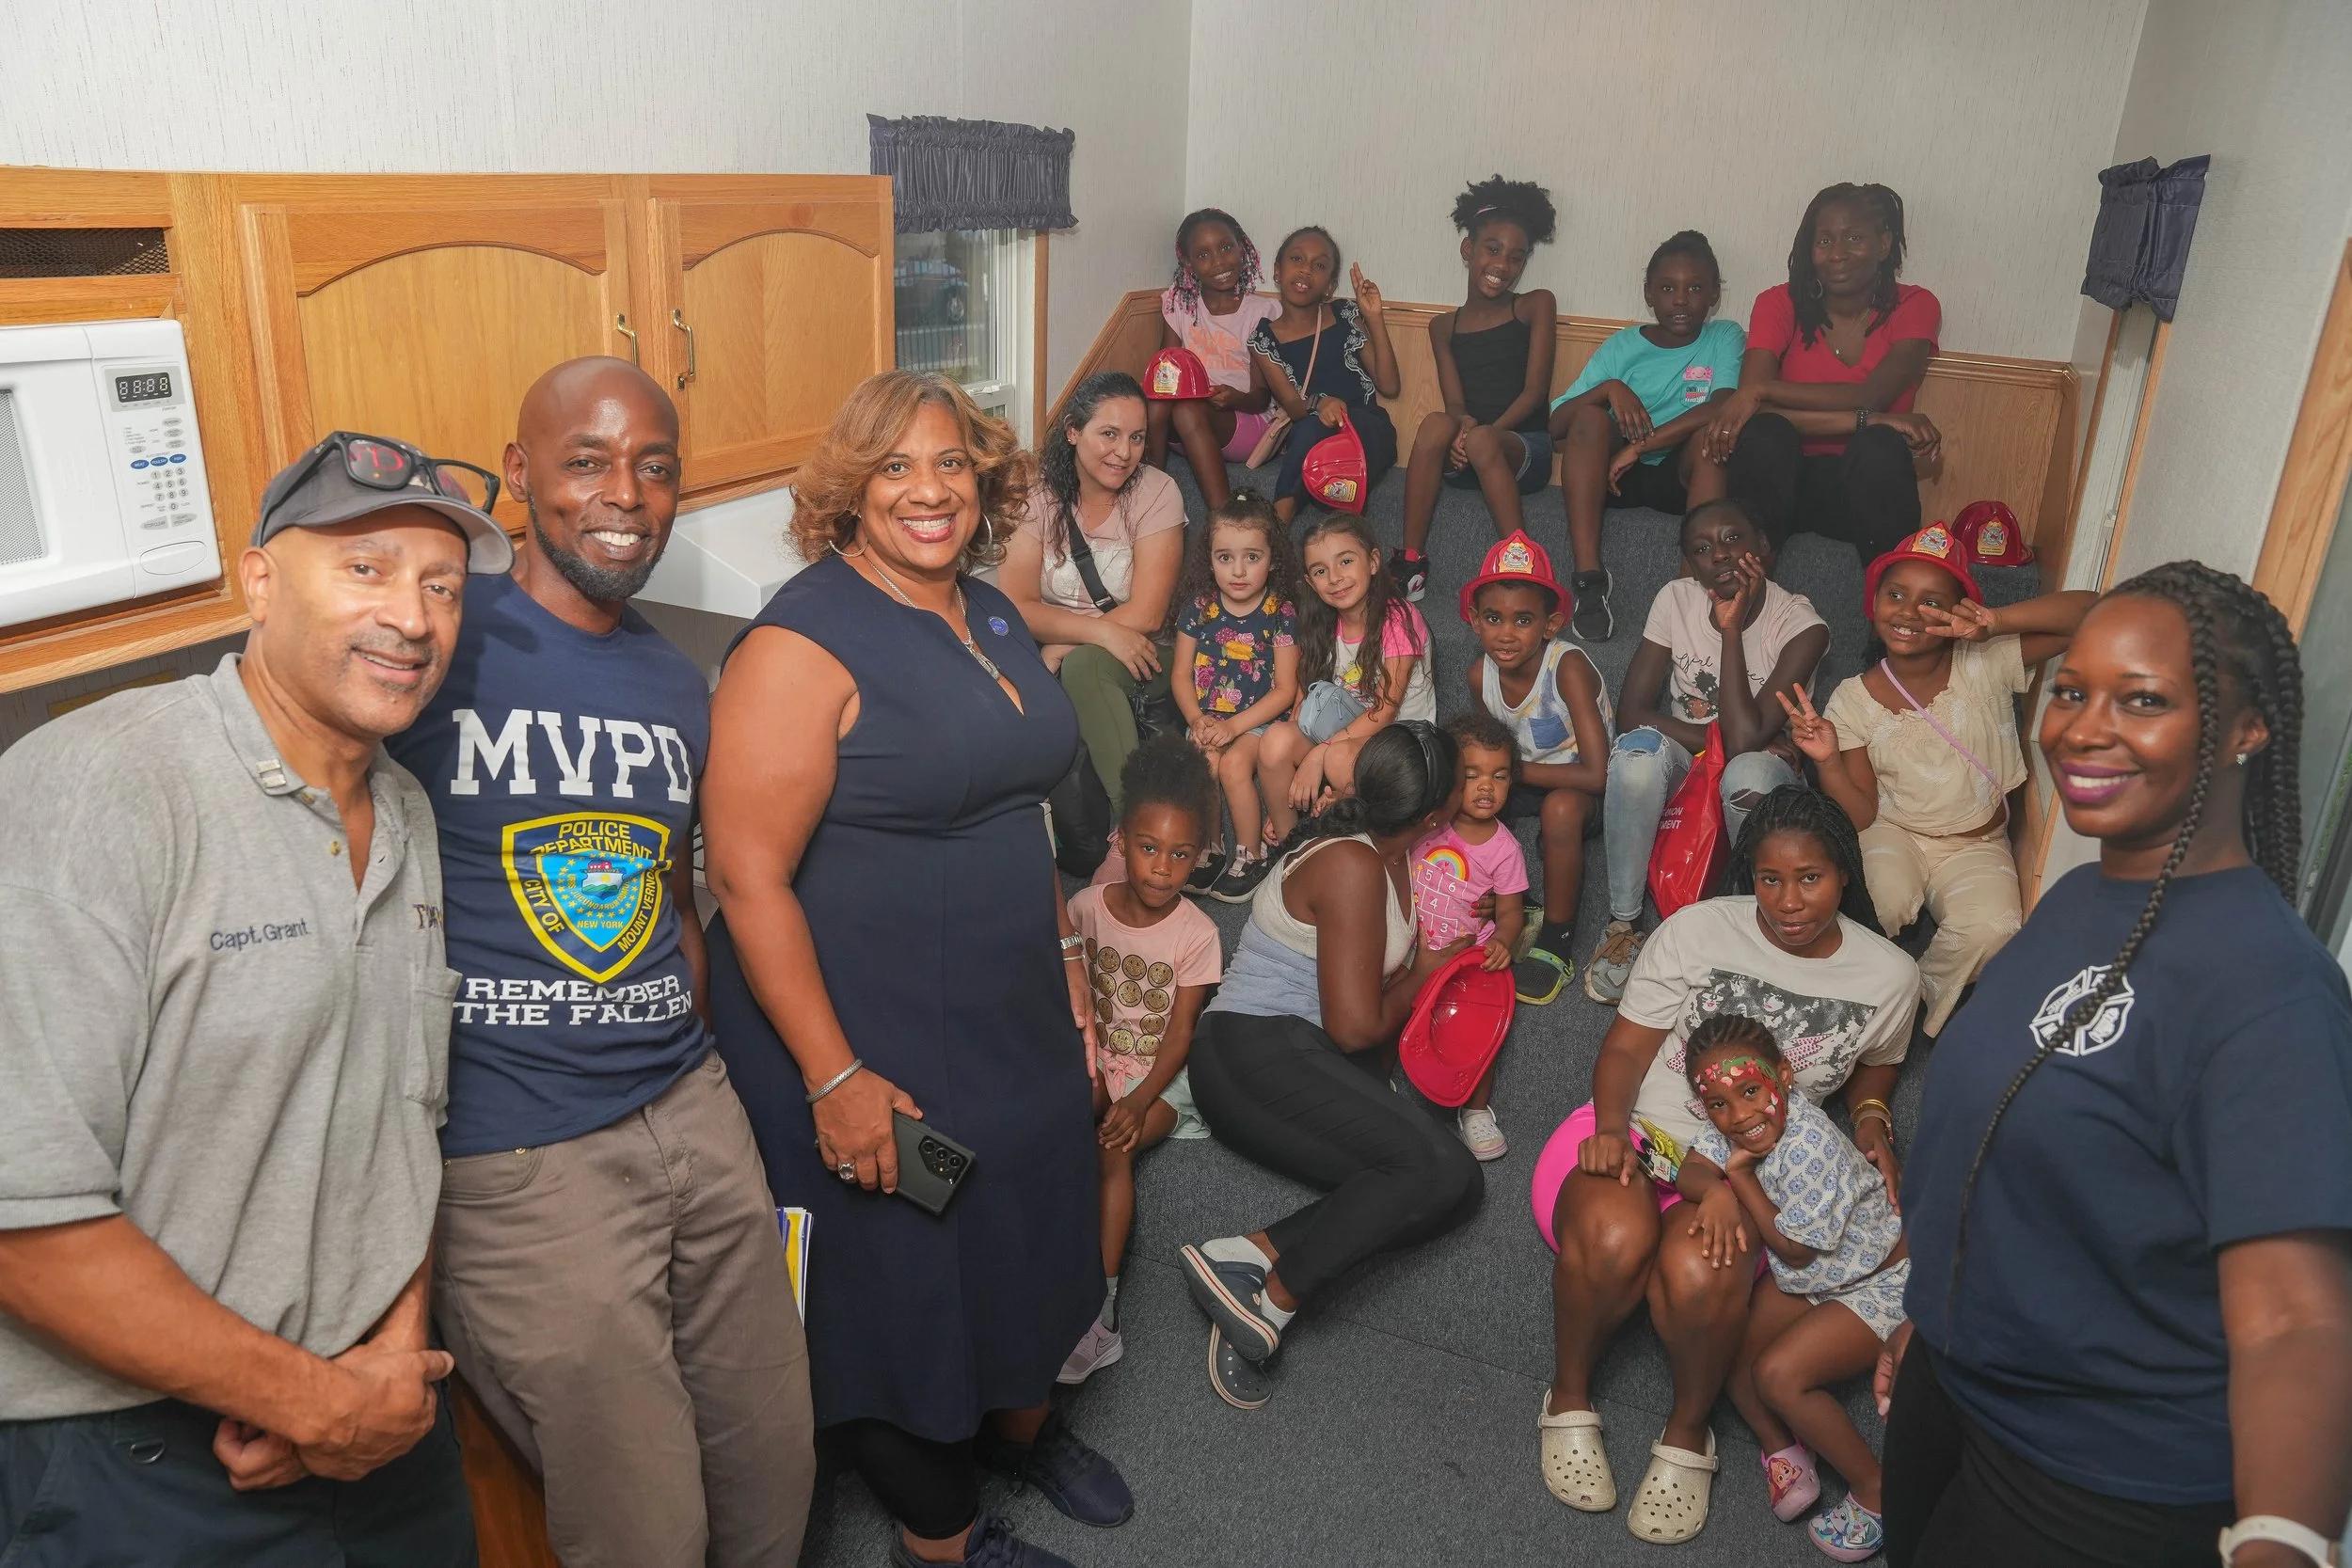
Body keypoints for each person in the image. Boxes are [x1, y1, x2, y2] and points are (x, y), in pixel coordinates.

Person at [0, 431, 513, 1563]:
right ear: (261, 582)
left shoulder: (406, 810)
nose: (413, 617)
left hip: (377, 1423)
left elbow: (404, 1122)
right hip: (137, 1460)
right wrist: (302, 1398)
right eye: (367, 567)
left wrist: (389, 1355)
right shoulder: (94, 789)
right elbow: (23, 1219)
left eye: (442, 586)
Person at [383, 359, 814, 1567]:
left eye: (654, 466)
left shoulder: (675, 681)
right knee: (644, 1526)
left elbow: (669, 896)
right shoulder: (438, 639)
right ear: (519, 473)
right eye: (586, 461)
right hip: (522, 1157)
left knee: (774, 1462)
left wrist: (705, 1062)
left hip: (690, 1106)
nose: (625, 493)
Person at [700, 371, 1129, 1568]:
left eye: (949, 463)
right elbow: (745, 877)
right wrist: (835, 1077)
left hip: (1006, 1004)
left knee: (1025, 1212)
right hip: (865, 1028)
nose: (927, 490)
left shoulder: (987, 610)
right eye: (894, 467)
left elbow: (1016, 811)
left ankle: (1017, 1428)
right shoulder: (801, 641)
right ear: (851, 489)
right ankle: (940, 1534)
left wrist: (1070, 967)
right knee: (906, 1268)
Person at [1880, 562, 2352, 1568]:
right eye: (2072, 690)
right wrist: (1935, 1313)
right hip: (1958, 1380)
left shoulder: (2271, 990)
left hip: (2097, 1476)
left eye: (2142, 700)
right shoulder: (2081, 896)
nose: (2082, 728)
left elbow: (2294, 1319)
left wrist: (2281, 1542)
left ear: (2245, 728)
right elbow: (1998, 1133)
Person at [1534, 786, 1917, 1546]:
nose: (1788, 901)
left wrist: (1873, 1114)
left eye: (1810, 878)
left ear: (1844, 874)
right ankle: (1568, 1394)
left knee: (1702, 1269)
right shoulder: (1696, 929)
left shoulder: (1890, 974)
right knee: (1614, 1239)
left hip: (1746, 1168)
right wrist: (1611, 1129)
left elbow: (1879, 1059)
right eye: (1770, 878)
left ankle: (1688, 1430)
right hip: (1644, 1132)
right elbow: (1626, 1049)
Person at [1178, 722, 1484, 1411]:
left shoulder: (1395, 855)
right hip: (1248, 1050)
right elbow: (1354, 1027)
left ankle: (1250, 1254)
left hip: (1296, 1052)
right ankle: (1274, 1300)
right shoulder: (1352, 863)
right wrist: (1425, 972)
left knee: (1456, 1186)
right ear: (1433, 814)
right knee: (1434, 1171)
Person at [1787, 523, 2093, 1035]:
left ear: (1958, 613)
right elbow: (1860, 814)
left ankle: (1907, 1006)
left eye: (1932, 602)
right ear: (1873, 602)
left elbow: (2092, 612)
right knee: (1876, 900)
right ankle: (1836, 997)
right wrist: (1828, 760)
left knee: (1994, 929)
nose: (1909, 612)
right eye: (1896, 595)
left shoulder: (1986, 660)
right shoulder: (1852, 699)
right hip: (1894, 831)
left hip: (1977, 844)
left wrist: (1996, 622)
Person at [1680, 1015, 1908, 1562]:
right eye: (1718, 1103)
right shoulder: (1738, 1122)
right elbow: (1690, 1169)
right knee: (1728, 1344)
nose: (1740, 1115)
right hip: (1817, 1277)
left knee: (1778, 1376)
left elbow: (1794, 1249)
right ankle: (1783, 1449)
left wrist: (1737, 1179)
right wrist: (1713, 1191)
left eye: (1750, 1091)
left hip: (1878, 1279)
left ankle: (1877, 1490)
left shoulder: (1811, 1142)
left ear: (1783, 1076)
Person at [1588, 498, 1827, 1004]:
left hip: (1762, 773)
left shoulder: (1802, 625)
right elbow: (1631, 713)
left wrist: (1731, 631)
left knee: (1747, 773)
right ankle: (1623, 926)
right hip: (1692, 764)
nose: (1719, 554)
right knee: (1636, 753)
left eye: (1732, 539)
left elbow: (1744, 748)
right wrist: (1734, 739)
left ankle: (1749, 934)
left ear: (1763, 546)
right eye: (1701, 549)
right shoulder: (1675, 599)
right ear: (1691, 566)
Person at [1058, 736, 1225, 1386]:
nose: (1162, 868)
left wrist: (1136, 1099)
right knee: (1066, 1115)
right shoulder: (1083, 909)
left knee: (1112, 1147)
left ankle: (1101, 1315)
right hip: (1102, 1058)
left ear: (1199, 856)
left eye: (1181, 854)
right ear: (1121, 841)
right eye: (1149, 848)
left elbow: (1180, 1037)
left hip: (1163, 1078)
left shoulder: (1199, 934)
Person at [1707, 182, 1942, 562]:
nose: (1838, 254)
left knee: (1880, 446)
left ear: (1884, 244)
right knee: (1765, 435)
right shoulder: (1778, 302)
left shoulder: (1915, 304)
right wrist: (1870, 420)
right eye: (1825, 241)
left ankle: (1888, 590)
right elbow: (1752, 412)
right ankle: (1748, 587)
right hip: (1782, 481)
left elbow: (1871, 395)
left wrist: (1762, 390)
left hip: (1866, 490)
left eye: (1854, 238)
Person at [999, 370, 1184, 821]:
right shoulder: (1037, 495)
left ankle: (1133, 825)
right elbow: (1016, 605)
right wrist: (1094, 634)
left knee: (1083, 665)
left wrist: (1067, 644)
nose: (1125, 452)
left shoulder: (1158, 491)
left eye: (1137, 438)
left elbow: (1148, 613)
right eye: (1109, 434)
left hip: (1145, 651)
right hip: (1053, 646)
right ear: (1073, 432)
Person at [1549, 230, 1744, 640]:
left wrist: (1642, 447)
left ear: (1714, 294)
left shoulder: (1725, 336)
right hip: (1614, 480)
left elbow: (1723, 405)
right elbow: (1556, 425)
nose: (1681, 300)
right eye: (1668, 288)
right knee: (1589, 418)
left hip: (1682, 478)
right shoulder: (1623, 346)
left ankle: (1691, 592)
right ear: (1648, 294)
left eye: (1695, 288)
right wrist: (1608, 389)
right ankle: (1589, 580)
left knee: (1710, 439)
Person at [1457, 530, 1613, 1005]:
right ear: (1474, 621)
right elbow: (1487, 749)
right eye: (1493, 618)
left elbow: (1598, 774)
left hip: (1581, 788)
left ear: (1551, 624)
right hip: (1523, 777)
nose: (1506, 633)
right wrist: (1488, 777)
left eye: (1523, 620)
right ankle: (1495, 895)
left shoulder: (1567, 668)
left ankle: (1557, 942)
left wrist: (1509, 773)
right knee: (1463, 789)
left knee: (1559, 811)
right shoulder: (1479, 675)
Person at [1391, 175, 1561, 604]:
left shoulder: (1535, 304)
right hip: (1467, 453)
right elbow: (1455, 403)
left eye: (1516, 257)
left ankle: (1521, 566)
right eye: (1492, 249)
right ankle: (1410, 563)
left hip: (1522, 449)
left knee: (1485, 439)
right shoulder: (1442, 326)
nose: (1503, 265)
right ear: (1468, 250)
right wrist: (1462, 430)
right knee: (1434, 423)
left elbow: (1535, 392)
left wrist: (1479, 436)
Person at [1258, 513, 1438, 840]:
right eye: (1320, 571)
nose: (1335, 578)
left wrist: (1321, 752)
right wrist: (1281, 797)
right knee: (1275, 740)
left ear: (1373, 562)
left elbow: (1385, 711)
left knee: (1338, 758)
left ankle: (1355, 848)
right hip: (1346, 735)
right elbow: (1305, 702)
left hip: (1401, 743)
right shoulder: (1321, 623)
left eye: (1345, 561)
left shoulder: (1398, 619)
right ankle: (1289, 847)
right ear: (1310, 582)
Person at [1412, 710, 1533, 1160]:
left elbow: (1511, 913)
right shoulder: (1428, 821)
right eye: (1472, 775)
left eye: (1499, 776)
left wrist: (1503, 940)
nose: (1486, 787)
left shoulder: (1505, 849)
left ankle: (1476, 1108)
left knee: (1477, 1033)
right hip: (1409, 942)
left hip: (1467, 958)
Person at [1169, 488, 1300, 899]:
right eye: (1225, 557)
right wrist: (1197, 720)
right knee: (1202, 764)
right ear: (1209, 559)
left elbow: (1285, 690)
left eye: (1252, 557)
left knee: (1232, 767)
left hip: (1258, 721)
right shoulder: (1198, 607)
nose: (1238, 571)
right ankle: (1209, 849)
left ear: (1273, 559)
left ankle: (1252, 854)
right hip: (1209, 717)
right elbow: (1180, 675)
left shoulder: (1280, 612)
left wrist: (1234, 727)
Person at [1248, 226, 1403, 524]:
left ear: (1330, 286)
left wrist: (1374, 318)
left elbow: (1390, 385)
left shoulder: (1343, 314)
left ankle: (1293, 523)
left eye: (1319, 266)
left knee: (1338, 435)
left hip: (1365, 428)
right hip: (1312, 431)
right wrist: (1321, 403)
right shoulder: (1263, 339)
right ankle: (1281, 520)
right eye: (1297, 259)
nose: (1306, 270)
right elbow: (1293, 406)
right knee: (1308, 428)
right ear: (1277, 271)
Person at [1148, 206, 1277, 511]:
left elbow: (1261, 398)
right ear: (1189, 264)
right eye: (1203, 255)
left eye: (1226, 247)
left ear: (1242, 248)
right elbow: (1164, 373)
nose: (1218, 261)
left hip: (1244, 422)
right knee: (1157, 398)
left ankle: (1223, 517)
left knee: (1187, 410)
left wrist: (1234, 398)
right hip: (1185, 429)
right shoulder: (1179, 304)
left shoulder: (1262, 312)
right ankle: (1148, 490)